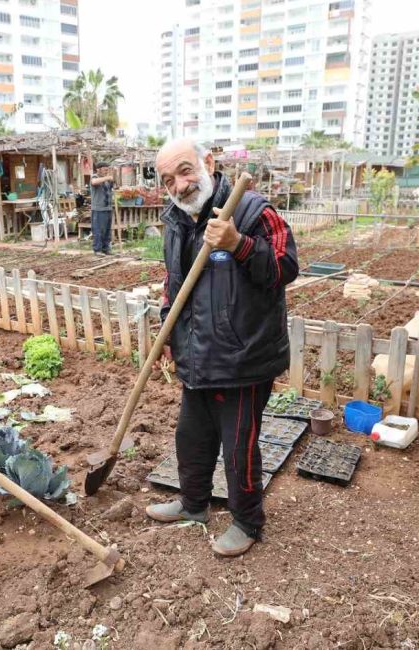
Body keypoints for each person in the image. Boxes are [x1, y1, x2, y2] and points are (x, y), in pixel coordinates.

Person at [144, 139, 299, 557]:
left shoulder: (252, 211)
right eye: (168, 179)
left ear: (208, 163)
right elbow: (173, 284)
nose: (179, 185)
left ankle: (247, 522)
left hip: (243, 357)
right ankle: (193, 505)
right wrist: (167, 331)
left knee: (238, 446)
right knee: (191, 437)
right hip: (196, 352)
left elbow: (285, 268)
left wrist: (237, 244)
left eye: (185, 171)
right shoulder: (176, 220)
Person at [89, 162, 115, 255]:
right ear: (98, 170)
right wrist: (107, 177)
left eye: (107, 170)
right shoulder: (94, 177)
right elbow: (94, 182)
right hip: (98, 209)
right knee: (98, 230)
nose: (106, 171)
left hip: (108, 208)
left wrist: (111, 180)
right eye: (104, 170)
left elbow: (112, 188)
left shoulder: (107, 180)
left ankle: (106, 249)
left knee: (107, 230)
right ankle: (97, 250)